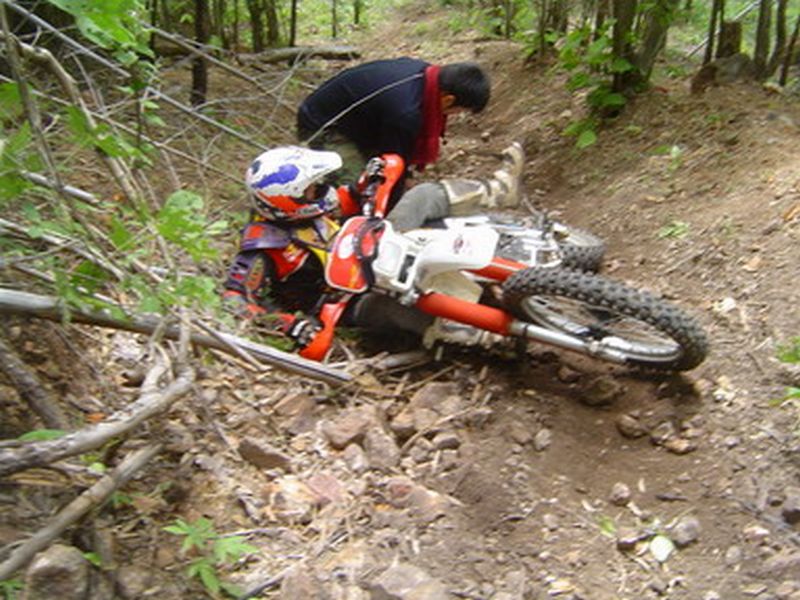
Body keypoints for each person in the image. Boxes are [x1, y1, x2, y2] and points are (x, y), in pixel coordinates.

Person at [222, 142, 524, 352]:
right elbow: (236, 301)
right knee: (393, 308)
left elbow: (348, 201)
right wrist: (290, 325)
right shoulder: (262, 247)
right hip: (346, 298)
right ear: (289, 200)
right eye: (313, 188)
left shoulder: (310, 207)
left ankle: (499, 191)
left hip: (369, 245)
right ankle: (492, 337)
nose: (321, 191)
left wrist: (368, 181)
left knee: (421, 197)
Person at [296, 58, 491, 186]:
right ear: (448, 100)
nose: (455, 115)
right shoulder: (406, 111)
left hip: (359, 122)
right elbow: (392, 165)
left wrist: (404, 178)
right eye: (460, 111)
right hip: (323, 125)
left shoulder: (425, 74)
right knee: (357, 190)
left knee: (383, 179)